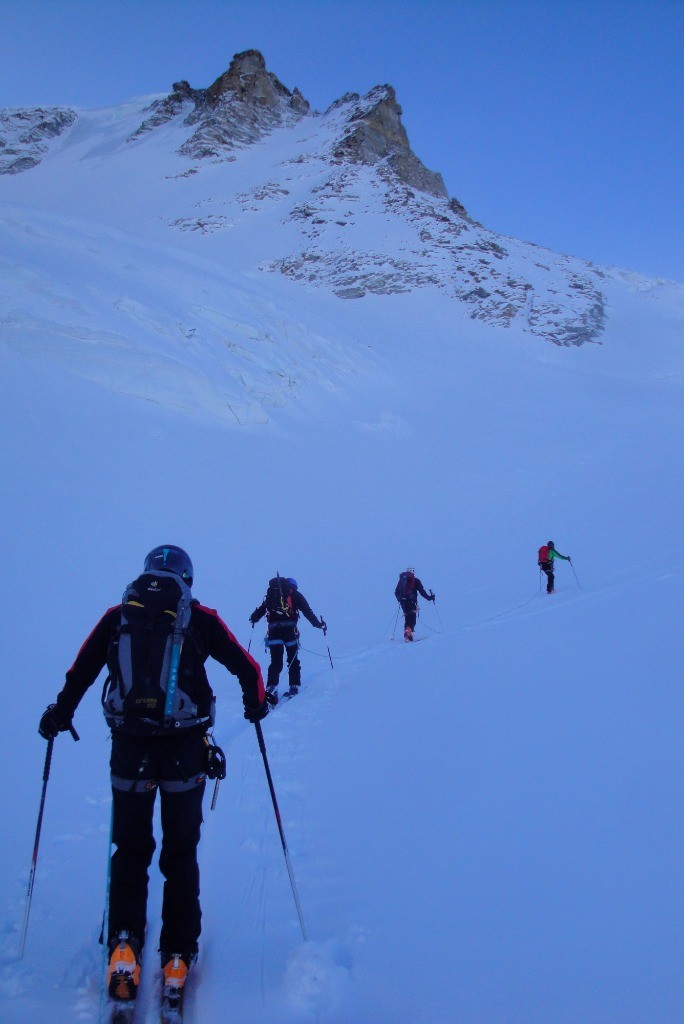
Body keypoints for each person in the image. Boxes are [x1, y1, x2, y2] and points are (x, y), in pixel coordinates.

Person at [37, 545, 267, 1005]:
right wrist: (255, 705)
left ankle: (125, 942)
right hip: (185, 752)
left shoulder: (117, 616)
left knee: (131, 846)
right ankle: (177, 954)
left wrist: (59, 714)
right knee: (180, 851)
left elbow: (80, 670)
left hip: (130, 750)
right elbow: (249, 668)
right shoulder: (199, 617)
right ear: (186, 577)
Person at [249, 576, 326, 704]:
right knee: (293, 660)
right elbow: (307, 612)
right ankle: (294, 686)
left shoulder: (271, 595)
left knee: (275, 661)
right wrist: (319, 624)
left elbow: (262, 610)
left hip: (274, 632)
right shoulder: (296, 595)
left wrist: (253, 618)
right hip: (290, 632)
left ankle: (271, 687)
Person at [395, 567, 435, 641]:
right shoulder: (416, 580)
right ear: (413, 573)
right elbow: (422, 592)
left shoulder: (401, 581)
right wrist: (429, 598)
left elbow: (396, 592)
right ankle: (408, 633)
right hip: (412, 602)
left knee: (407, 618)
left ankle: (408, 635)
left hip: (403, 603)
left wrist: (400, 600)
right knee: (412, 619)